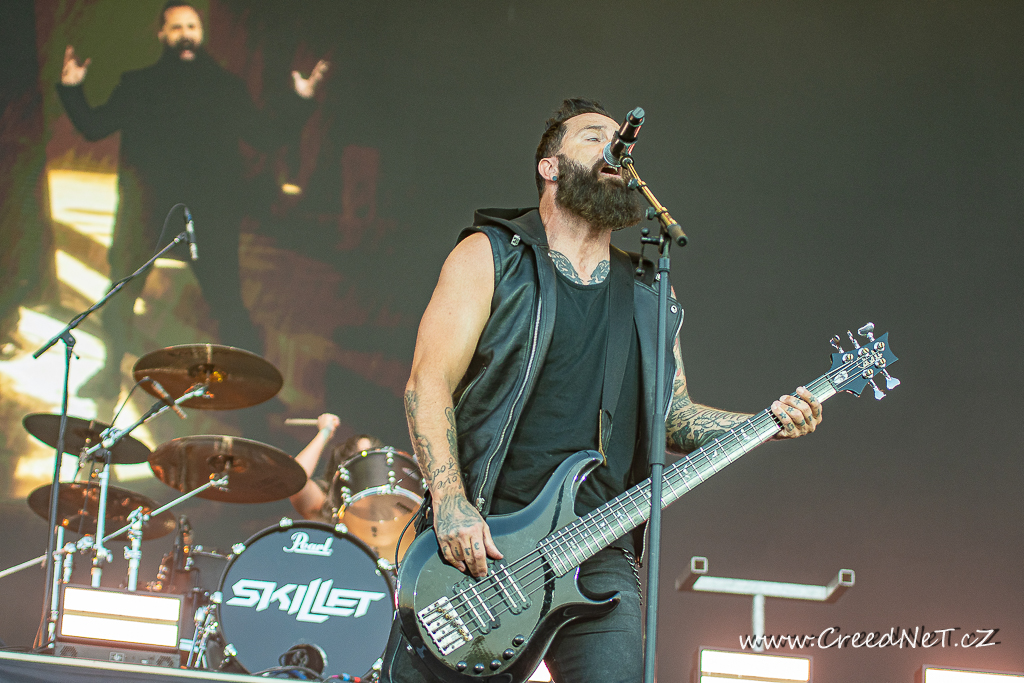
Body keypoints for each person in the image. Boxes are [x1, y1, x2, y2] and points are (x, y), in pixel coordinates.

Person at [381, 98, 823, 682]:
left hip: (597, 545)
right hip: (486, 533)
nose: (617, 148)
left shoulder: (648, 289)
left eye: (623, 143)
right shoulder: (489, 255)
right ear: (549, 167)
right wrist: (451, 503)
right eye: (594, 136)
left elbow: (673, 419)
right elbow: (427, 382)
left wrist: (765, 423)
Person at [56, 1, 328, 398]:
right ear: (161, 34)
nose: (186, 34)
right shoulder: (139, 83)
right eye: (177, 27)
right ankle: (109, 375)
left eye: (192, 26)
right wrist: (71, 88)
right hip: (146, 211)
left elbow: (265, 138)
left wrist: (299, 99)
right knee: (120, 295)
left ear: (201, 34)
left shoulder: (226, 86)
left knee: (227, 302)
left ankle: (245, 385)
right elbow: (94, 126)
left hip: (208, 216)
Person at [288, 412, 384, 522]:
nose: (369, 466)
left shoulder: (394, 510)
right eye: (361, 459)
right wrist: (325, 432)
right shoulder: (324, 505)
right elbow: (295, 477)